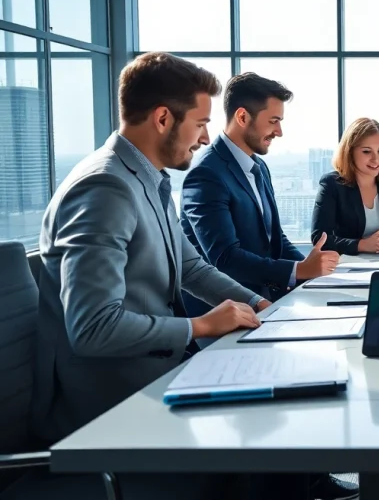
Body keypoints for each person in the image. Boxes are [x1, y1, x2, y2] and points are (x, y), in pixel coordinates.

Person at [32, 53, 268, 446]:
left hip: (153, 375)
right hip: (112, 406)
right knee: (259, 419)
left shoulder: (148, 181)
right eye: (201, 124)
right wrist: (202, 325)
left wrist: (260, 305)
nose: (207, 138)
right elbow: (92, 329)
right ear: (163, 119)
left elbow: (192, 268)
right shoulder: (105, 190)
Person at [180, 72, 340, 314]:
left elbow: (275, 239)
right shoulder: (206, 175)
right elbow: (225, 259)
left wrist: (315, 273)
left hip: (266, 302)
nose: (279, 132)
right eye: (273, 121)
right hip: (222, 313)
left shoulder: (259, 167)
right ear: (243, 117)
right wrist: (299, 270)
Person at [312, 117, 379, 255]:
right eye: (366, 151)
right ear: (350, 152)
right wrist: (363, 245)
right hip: (345, 266)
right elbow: (319, 238)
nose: (376, 159)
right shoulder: (331, 184)